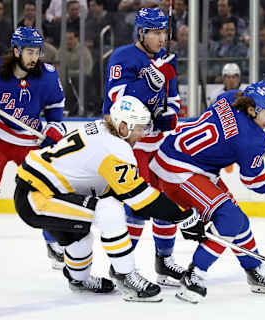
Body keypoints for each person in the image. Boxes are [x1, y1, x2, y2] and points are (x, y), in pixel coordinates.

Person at [14, 95, 201, 302]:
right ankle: (126, 276)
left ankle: (79, 280)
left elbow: (110, 186)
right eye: (139, 127)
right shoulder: (116, 148)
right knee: (109, 210)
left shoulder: (99, 128)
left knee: (81, 238)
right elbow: (140, 198)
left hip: (43, 191)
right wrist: (182, 216)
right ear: (123, 127)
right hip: (38, 197)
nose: (142, 133)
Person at [149, 80, 265, 303]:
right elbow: (255, 181)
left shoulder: (229, 97)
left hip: (179, 156)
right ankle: (195, 275)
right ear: (252, 109)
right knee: (230, 218)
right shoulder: (253, 140)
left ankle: (254, 270)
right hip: (178, 169)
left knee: (238, 219)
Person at [103, 7, 186, 287]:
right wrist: (146, 83)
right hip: (131, 145)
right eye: (156, 32)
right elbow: (116, 99)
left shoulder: (166, 62)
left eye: (164, 32)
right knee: (137, 205)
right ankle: (123, 267)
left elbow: (173, 100)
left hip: (159, 145)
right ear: (141, 32)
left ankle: (164, 261)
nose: (162, 38)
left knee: (168, 201)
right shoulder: (123, 57)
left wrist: (169, 117)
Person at [0, 26, 66, 269]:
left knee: (43, 189)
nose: (34, 57)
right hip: (0, 137)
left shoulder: (47, 75)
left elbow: (56, 115)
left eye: (37, 52)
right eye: (29, 51)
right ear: (16, 51)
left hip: (28, 140)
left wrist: (52, 135)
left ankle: (52, 242)